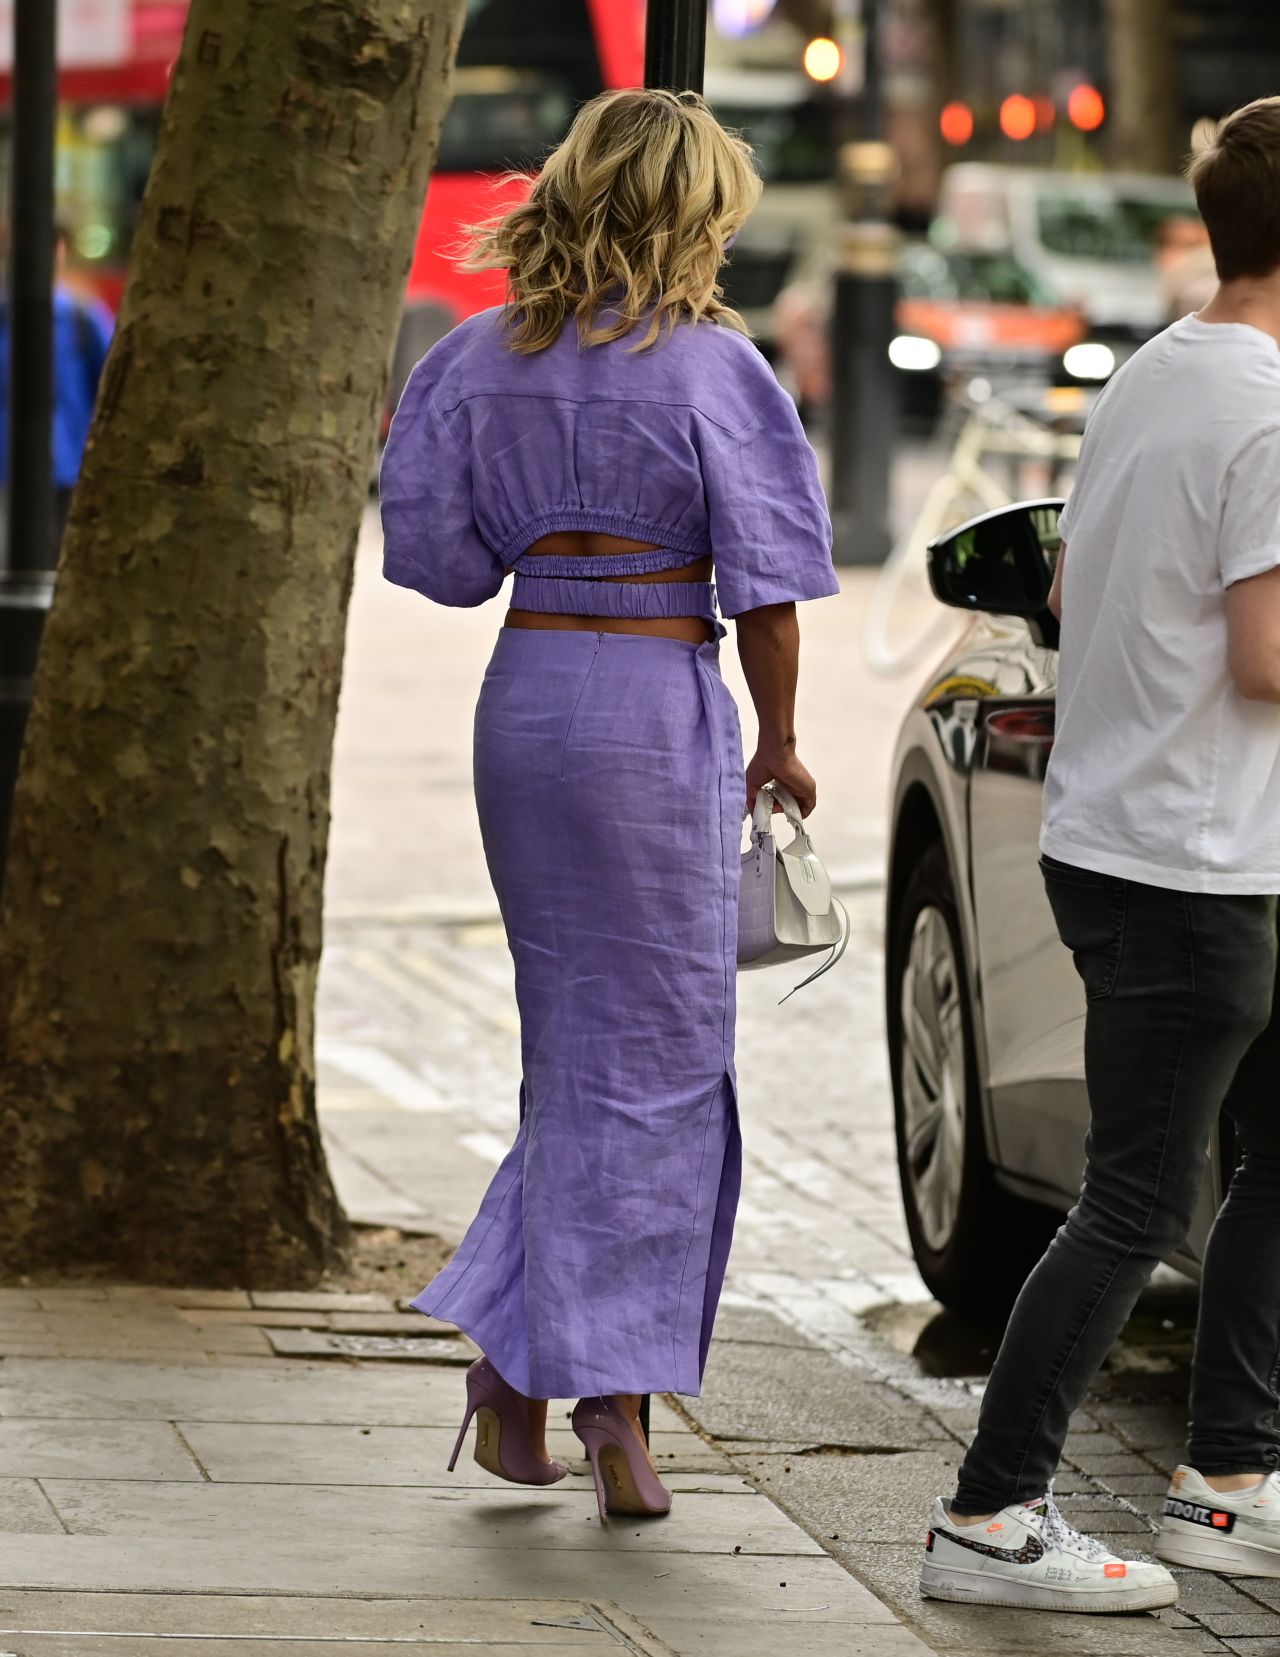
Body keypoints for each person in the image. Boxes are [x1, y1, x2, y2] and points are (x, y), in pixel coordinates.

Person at [379, 88, 837, 1521]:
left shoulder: (471, 357)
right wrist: (783, 739)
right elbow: (765, 585)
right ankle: (614, 1403)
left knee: (577, 1043)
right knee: (663, 1055)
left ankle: (522, 1378)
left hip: (527, 701)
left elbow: (443, 564)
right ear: (697, 213)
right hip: (654, 701)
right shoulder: (714, 370)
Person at [920, 95, 1280, 1613]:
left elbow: (1068, 585)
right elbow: (1267, 657)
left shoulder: (1154, 376)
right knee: (1136, 1196)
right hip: (1190, 860)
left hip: (1152, 838)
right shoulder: (1266, 408)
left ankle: (1228, 1478)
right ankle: (991, 1517)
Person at [0, 223, 113, 554]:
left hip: (69, 472)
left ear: (60, 252)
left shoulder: (81, 318)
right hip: (7, 474)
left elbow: (109, 390)